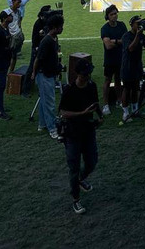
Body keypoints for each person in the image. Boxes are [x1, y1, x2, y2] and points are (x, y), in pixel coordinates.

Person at [58, 58, 102, 215]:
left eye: (89, 73)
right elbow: (63, 112)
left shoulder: (92, 86)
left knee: (92, 161)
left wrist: (100, 116)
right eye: (85, 74)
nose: (88, 76)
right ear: (78, 74)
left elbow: (95, 103)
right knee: (74, 167)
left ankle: (80, 180)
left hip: (88, 130)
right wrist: (82, 113)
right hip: (73, 133)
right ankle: (75, 199)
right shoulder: (69, 90)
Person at [32, 14, 64, 138]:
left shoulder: (53, 39)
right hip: (44, 75)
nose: (62, 29)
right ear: (55, 28)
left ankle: (42, 124)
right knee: (50, 102)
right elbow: (38, 59)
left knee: (43, 101)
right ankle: (52, 129)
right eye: (61, 26)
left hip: (48, 74)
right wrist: (34, 74)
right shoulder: (47, 41)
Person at [120, 15, 145, 123]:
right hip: (127, 66)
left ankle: (135, 110)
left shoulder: (141, 35)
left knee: (136, 88)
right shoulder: (126, 36)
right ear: (132, 25)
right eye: (138, 23)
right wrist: (138, 36)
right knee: (127, 89)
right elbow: (130, 48)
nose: (140, 25)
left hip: (137, 65)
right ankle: (125, 112)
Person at [100, 4, 127, 115]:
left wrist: (114, 41)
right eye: (112, 14)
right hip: (110, 60)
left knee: (118, 80)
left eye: (115, 13)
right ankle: (106, 105)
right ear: (108, 16)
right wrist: (118, 42)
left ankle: (119, 100)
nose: (114, 16)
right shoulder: (104, 29)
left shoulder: (122, 25)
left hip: (120, 58)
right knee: (107, 80)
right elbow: (108, 46)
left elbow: (125, 40)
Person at [22, 5, 52, 97]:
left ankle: (39, 88)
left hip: (43, 48)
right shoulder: (38, 24)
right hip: (37, 48)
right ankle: (25, 90)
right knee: (32, 68)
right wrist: (36, 46)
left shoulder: (46, 22)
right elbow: (34, 38)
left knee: (41, 69)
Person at [5, 0, 33, 70]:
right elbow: (22, 3)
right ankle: (16, 51)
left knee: (17, 31)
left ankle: (16, 50)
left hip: (16, 14)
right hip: (17, 15)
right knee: (17, 32)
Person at [5, 0, 25, 72]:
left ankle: (10, 72)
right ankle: (6, 71)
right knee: (8, 56)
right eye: (18, 2)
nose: (19, 4)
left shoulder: (19, 12)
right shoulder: (6, 12)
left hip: (17, 37)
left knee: (14, 56)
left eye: (20, 2)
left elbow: (19, 23)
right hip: (10, 37)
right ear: (13, 1)